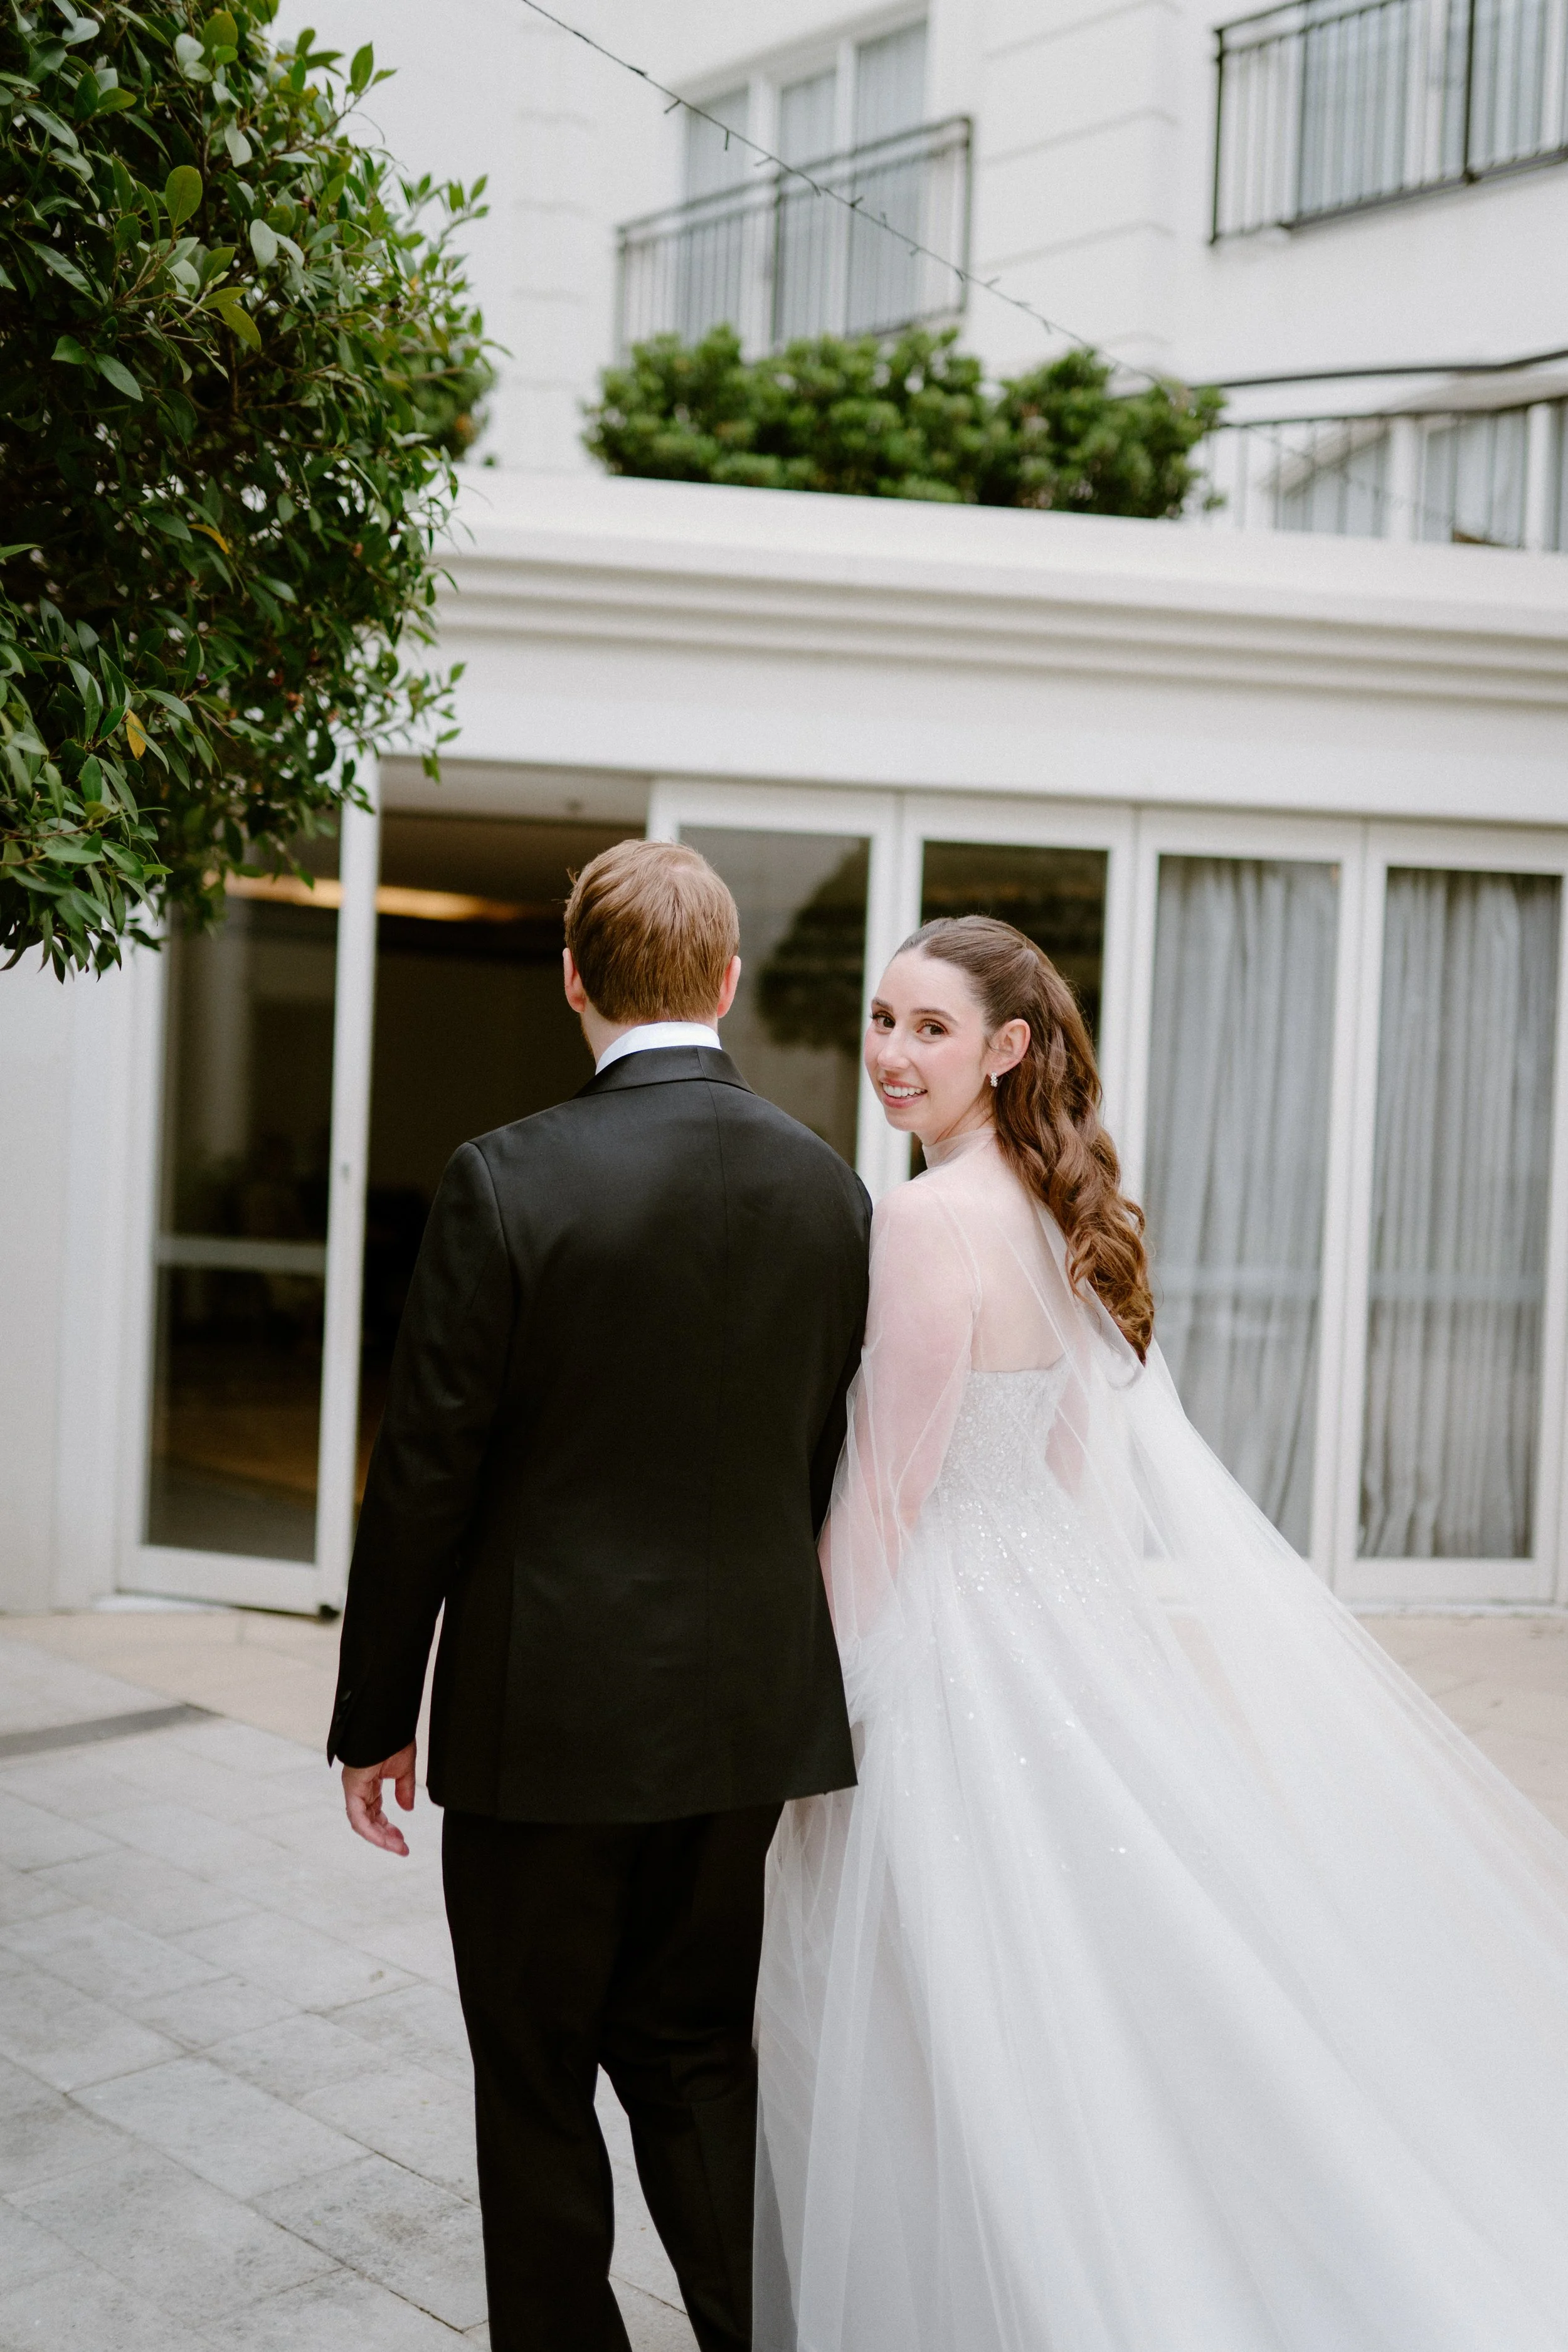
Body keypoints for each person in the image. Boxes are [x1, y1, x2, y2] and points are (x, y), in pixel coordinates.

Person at [755, 914, 1568, 2352]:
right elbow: (1069, 1454)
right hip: (1040, 1614)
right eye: (880, 1022)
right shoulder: (1044, 1203)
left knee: (943, 1986)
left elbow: (883, 1494)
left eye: (927, 1029)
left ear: (1006, 1049)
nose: (890, 1054)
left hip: (947, 1633)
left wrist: (803, 1700)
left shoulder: (926, 1216)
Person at [329, 840, 870, 2352]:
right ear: (728, 979)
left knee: (535, 2069)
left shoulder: (504, 1178)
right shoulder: (831, 1195)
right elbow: (816, 1463)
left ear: (571, 979)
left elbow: (425, 1472)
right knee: (699, 2056)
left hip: (542, 1722)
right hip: (743, 1721)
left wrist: (377, 1715)